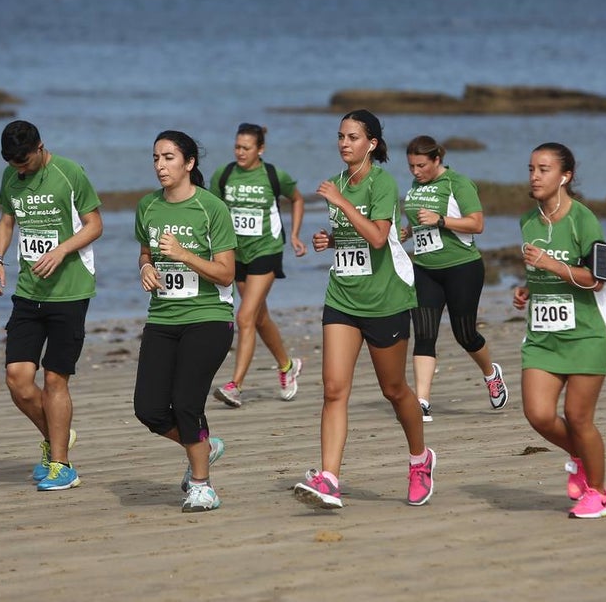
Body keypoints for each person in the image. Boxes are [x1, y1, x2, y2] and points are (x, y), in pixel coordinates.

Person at [293, 109, 435, 510]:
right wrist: (330, 240)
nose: (344, 144)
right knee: (334, 389)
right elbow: (352, 236)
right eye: (340, 136)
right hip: (342, 297)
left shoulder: (382, 183)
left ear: (371, 144)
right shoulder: (338, 181)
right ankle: (330, 478)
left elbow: (376, 237)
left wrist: (340, 203)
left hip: (384, 301)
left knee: (394, 390)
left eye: (353, 137)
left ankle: (419, 460)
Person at [0, 120, 103, 492]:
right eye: (13, 163)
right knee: (18, 381)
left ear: (40, 147)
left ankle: (62, 465)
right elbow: (7, 220)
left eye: (23, 161)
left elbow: (95, 224)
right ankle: (58, 438)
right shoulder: (11, 175)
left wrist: (62, 250)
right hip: (27, 291)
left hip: (70, 292)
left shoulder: (69, 173)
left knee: (55, 379)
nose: (19, 169)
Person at [512, 142, 606, 519]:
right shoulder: (527, 221)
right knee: (538, 415)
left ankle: (600, 494)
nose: (534, 176)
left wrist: (550, 266)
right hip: (543, 334)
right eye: (531, 169)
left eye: (543, 169)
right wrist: (527, 288)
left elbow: (599, 280)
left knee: (577, 416)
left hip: (586, 333)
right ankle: (579, 455)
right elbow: (538, 270)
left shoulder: (583, 220)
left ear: (565, 176)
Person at [134, 130, 237, 513]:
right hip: (162, 317)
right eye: (156, 158)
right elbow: (145, 251)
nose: (160, 165)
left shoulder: (211, 208)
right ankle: (204, 447)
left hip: (208, 318)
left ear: (189, 163)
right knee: (149, 409)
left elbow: (226, 274)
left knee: (187, 402)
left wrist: (183, 255)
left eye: (169, 158)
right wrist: (146, 267)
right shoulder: (147, 207)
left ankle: (202, 486)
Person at [400, 135, 506, 421]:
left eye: (421, 165)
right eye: (411, 166)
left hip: (462, 268)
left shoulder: (457, 183)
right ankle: (421, 401)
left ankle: (490, 373)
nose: (415, 172)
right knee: (424, 334)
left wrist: (441, 221)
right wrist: (408, 232)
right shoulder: (415, 184)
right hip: (423, 269)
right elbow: (419, 217)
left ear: (437, 160)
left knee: (465, 334)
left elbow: (477, 224)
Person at [209, 123, 307, 408]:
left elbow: (297, 199)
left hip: (267, 249)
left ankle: (235, 385)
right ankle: (287, 365)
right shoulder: (224, 175)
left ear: (260, 149)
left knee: (244, 317)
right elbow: (212, 210)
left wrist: (296, 233)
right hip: (236, 254)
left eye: (246, 148)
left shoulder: (274, 175)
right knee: (259, 318)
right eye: (237, 147)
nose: (240, 152)